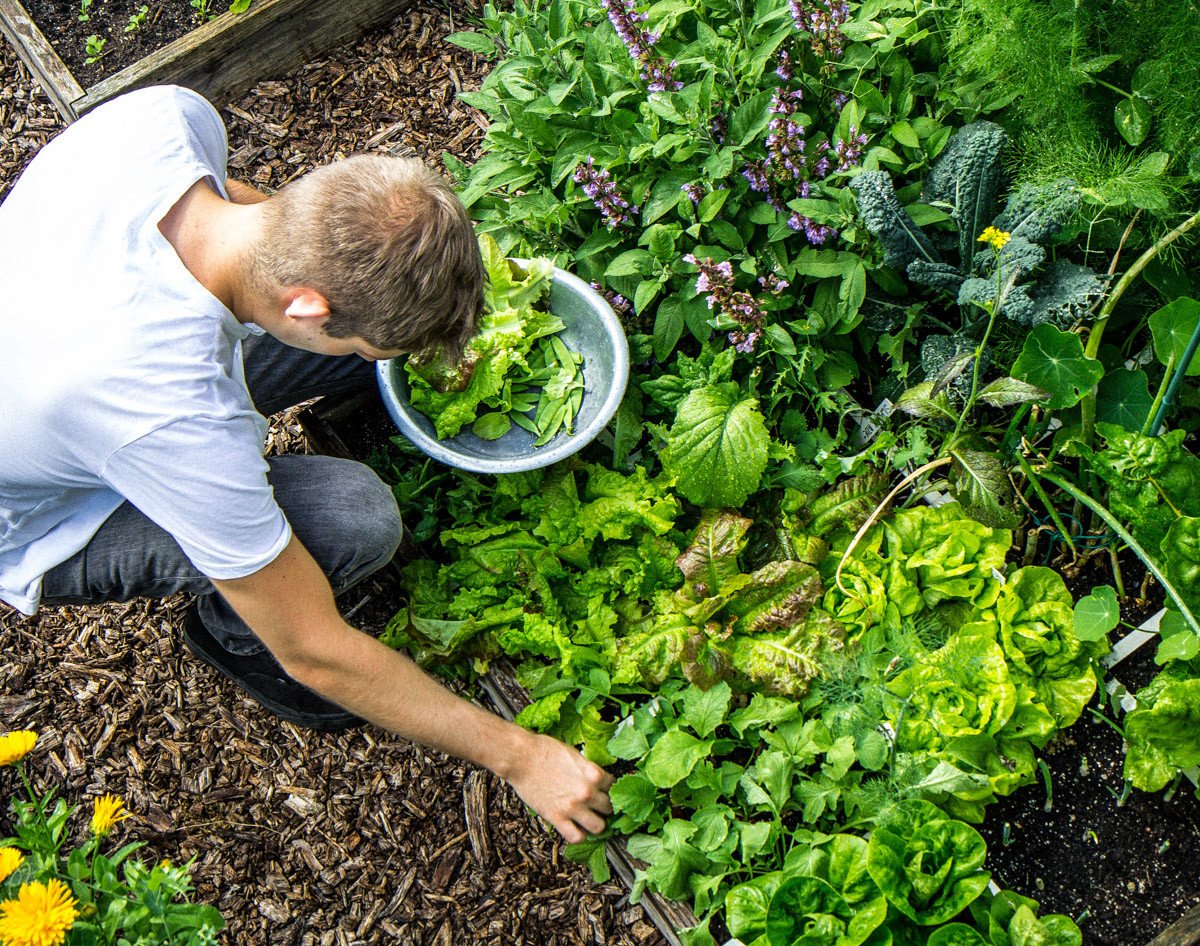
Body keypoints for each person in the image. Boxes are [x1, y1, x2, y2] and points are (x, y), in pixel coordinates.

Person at [0, 85, 612, 844]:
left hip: (53, 346)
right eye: (357, 338)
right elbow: (316, 651)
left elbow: (262, 218)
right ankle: (232, 637)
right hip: (42, 516)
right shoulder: (173, 418)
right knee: (353, 519)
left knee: (367, 360)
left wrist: (383, 335)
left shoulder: (164, 118)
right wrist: (522, 757)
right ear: (308, 309)